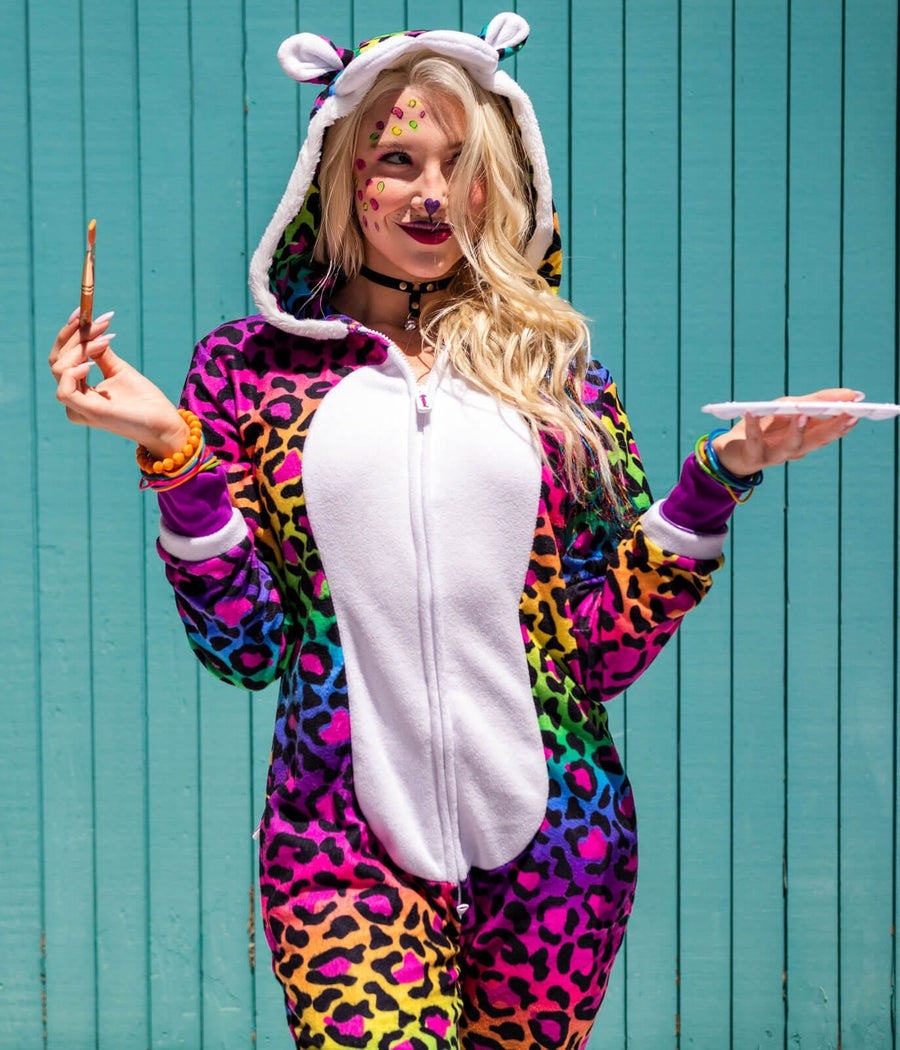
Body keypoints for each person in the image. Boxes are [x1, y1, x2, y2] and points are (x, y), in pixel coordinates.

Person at [49, 13, 861, 1050]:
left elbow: (600, 650)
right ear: (341, 177)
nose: (433, 192)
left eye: (461, 164)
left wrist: (722, 475)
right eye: (399, 161)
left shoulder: (556, 377)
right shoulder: (248, 372)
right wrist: (175, 450)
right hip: (336, 846)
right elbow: (246, 648)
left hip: (561, 847)